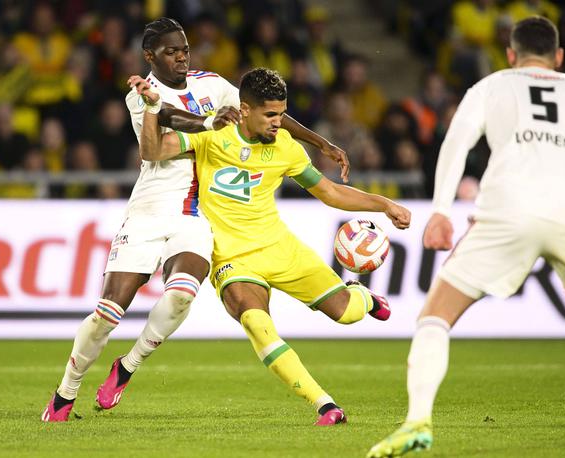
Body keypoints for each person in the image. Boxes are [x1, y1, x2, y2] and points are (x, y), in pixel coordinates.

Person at [42, 17, 350, 422]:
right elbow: (165, 125)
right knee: (109, 313)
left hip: (195, 211)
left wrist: (320, 142)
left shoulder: (212, 83)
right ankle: (65, 394)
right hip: (151, 208)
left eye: (184, 49)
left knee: (182, 293)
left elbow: (260, 112)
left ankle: (127, 366)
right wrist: (206, 122)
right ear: (150, 56)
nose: (182, 57)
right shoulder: (141, 96)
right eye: (172, 51)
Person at [367, 17, 565, 457]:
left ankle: (417, 421)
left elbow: (455, 144)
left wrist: (440, 212)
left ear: (510, 55)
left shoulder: (492, 86)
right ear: (560, 57)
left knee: (434, 317)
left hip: (506, 212)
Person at [137, 67, 411, 425]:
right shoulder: (211, 135)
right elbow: (153, 150)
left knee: (347, 314)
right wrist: (151, 108)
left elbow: (329, 192)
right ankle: (325, 405)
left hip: (280, 247)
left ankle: (364, 296)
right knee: (255, 321)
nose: (278, 123)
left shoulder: (286, 148)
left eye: (282, 114)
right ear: (244, 109)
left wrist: (384, 204)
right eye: (270, 115)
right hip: (232, 258)